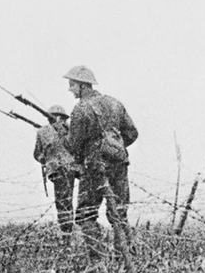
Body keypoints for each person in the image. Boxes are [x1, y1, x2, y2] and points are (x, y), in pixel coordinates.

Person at [64, 66, 138, 260]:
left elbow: (73, 145)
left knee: (85, 215)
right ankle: (126, 259)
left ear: (81, 85)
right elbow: (132, 133)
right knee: (119, 213)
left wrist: (63, 134)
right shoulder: (115, 103)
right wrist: (114, 147)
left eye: (72, 85)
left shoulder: (81, 109)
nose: (70, 89)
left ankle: (99, 261)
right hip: (120, 163)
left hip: (95, 167)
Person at [33, 105, 80, 242]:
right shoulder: (68, 130)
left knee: (63, 201)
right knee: (65, 201)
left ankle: (67, 234)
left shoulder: (44, 131)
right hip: (66, 169)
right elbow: (38, 154)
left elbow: (37, 154)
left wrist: (49, 160)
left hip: (61, 170)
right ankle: (67, 233)